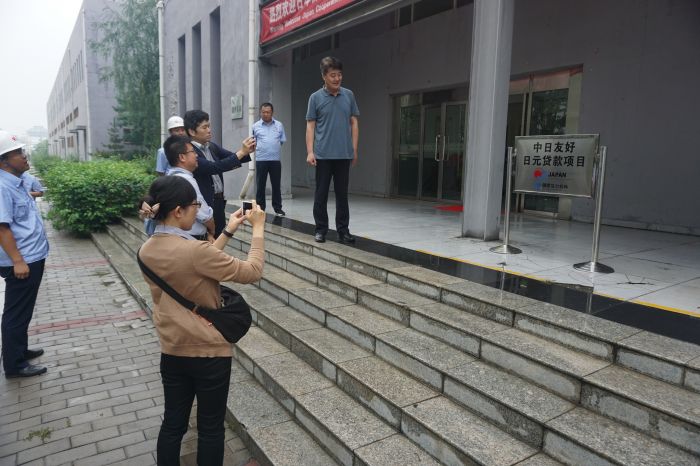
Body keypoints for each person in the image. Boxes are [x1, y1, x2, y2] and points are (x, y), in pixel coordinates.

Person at [138, 175, 265, 465]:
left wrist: (229, 230)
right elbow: (252, 271)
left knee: (173, 423)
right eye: (195, 205)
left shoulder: (147, 250)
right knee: (210, 428)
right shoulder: (194, 251)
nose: (198, 211)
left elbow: (195, 263)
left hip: (172, 349)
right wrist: (258, 229)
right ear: (178, 211)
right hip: (208, 352)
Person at [0, 131, 49, 378]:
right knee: (16, 313)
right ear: (4, 161)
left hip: (31, 256)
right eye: (18, 152)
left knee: (23, 310)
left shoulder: (16, 182)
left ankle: (19, 350)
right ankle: (14, 365)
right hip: (22, 260)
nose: (24, 155)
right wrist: (18, 261)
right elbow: (2, 228)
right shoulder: (2, 187)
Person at [306, 56, 360, 244]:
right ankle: (321, 229)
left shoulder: (349, 95)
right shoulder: (315, 98)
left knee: (342, 195)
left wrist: (354, 148)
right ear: (324, 76)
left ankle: (343, 230)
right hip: (322, 155)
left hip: (344, 154)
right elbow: (310, 126)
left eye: (339, 75)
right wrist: (310, 151)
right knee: (320, 194)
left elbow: (354, 123)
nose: (337, 78)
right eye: (333, 75)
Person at [184, 110, 256, 236]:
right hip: (204, 205)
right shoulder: (190, 152)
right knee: (207, 240)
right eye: (204, 127)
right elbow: (214, 167)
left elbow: (231, 157)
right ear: (192, 131)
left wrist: (248, 150)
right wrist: (242, 152)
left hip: (219, 201)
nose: (209, 130)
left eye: (209, 126)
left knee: (220, 238)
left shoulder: (211, 146)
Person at [162, 135, 215, 240]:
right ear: (182, 157)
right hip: (192, 238)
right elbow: (203, 215)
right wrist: (212, 230)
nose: (196, 155)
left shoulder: (169, 177)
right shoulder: (187, 181)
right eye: (193, 151)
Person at [252, 102, 286, 216]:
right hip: (261, 160)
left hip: (275, 160)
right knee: (260, 185)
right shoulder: (255, 126)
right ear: (260, 112)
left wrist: (272, 148)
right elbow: (253, 142)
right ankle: (260, 209)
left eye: (268, 112)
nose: (265, 114)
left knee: (276, 185)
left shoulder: (279, 125)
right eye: (263, 112)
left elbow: (281, 141)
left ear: (272, 113)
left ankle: (278, 208)